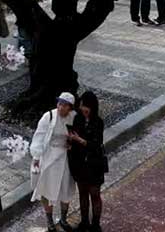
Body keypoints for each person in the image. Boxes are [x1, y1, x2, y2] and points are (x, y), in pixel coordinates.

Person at [30, 93, 77, 231]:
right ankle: (49, 220)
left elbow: (78, 134)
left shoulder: (74, 117)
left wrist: (72, 142)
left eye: (64, 105)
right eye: (59, 104)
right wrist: (37, 156)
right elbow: (39, 136)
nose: (61, 107)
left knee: (66, 188)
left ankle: (63, 218)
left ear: (70, 107)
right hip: (49, 156)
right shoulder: (49, 116)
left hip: (66, 157)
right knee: (46, 188)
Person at [67, 91, 106, 232]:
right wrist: (71, 141)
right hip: (80, 163)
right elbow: (74, 139)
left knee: (94, 194)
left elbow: (96, 144)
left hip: (94, 164)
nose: (83, 109)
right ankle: (84, 223)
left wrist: (80, 140)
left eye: (85, 106)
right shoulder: (78, 119)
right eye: (81, 105)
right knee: (82, 193)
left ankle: (95, 225)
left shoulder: (98, 122)